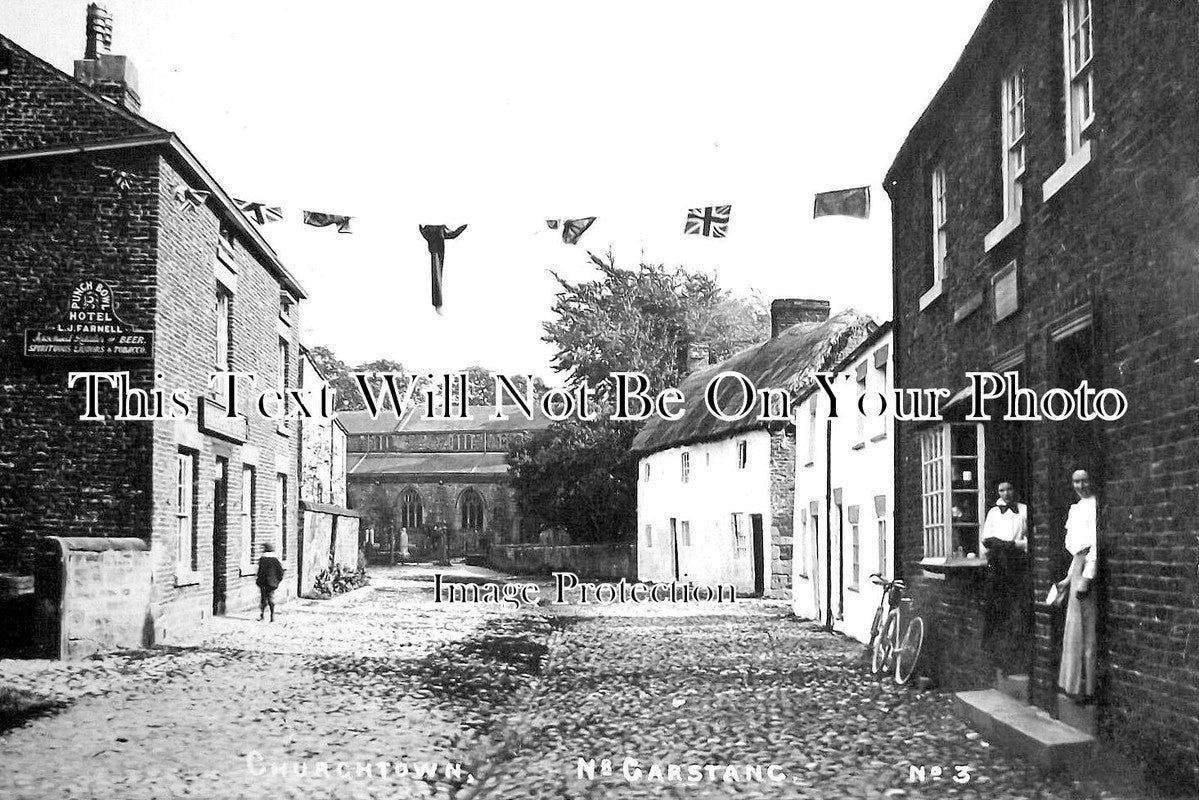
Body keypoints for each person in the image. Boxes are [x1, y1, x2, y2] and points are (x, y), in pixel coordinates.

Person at [1058, 469, 1099, 703]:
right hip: (1077, 567)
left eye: (1084, 480)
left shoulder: (1095, 506)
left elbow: (1094, 545)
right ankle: (1074, 686)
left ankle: (1087, 688)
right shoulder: (1076, 507)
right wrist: (1068, 577)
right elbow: (1076, 552)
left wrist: (1086, 577)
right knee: (1074, 630)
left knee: (1086, 631)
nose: (1080, 485)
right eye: (1076, 481)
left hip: (1087, 572)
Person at [981, 481, 1029, 673]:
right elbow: (987, 540)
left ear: (1014, 490)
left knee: (1017, 608)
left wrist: (1012, 545)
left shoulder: (1024, 510)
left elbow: (1028, 541)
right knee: (999, 608)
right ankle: (999, 658)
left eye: (1009, 489)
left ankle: (1016, 659)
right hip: (999, 565)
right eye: (1001, 490)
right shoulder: (994, 512)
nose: (1006, 493)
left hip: (1018, 564)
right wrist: (1004, 546)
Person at [256, 542, 285, 622]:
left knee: (263, 599)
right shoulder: (275, 560)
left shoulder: (262, 559)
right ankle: (272, 616)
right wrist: (277, 581)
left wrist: (258, 580)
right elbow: (281, 572)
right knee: (271, 598)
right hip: (272, 583)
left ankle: (262, 615)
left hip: (263, 583)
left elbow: (260, 572)